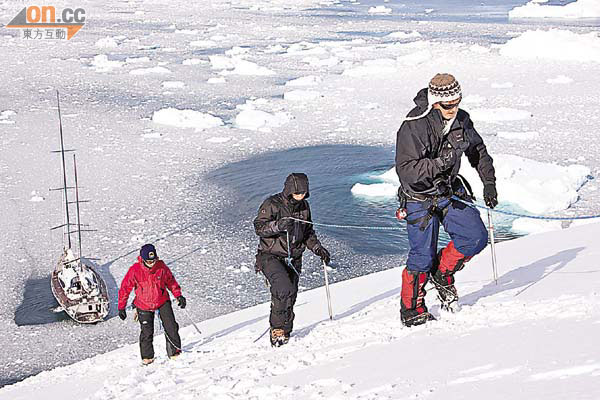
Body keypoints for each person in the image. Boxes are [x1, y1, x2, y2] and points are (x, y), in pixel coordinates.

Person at [395, 73, 498, 327]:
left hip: (449, 191)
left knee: (475, 237)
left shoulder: (462, 120)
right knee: (421, 257)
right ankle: (411, 309)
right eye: (448, 105)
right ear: (435, 102)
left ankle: (442, 274)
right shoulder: (413, 125)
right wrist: (438, 164)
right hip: (419, 198)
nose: (454, 109)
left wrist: (489, 182)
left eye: (457, 102)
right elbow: (405, 169)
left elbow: (478, 151)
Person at [254, 173, 331, 347]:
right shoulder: (272, 204)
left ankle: (286, 329)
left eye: (303, 193)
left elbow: (308, 232)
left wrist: (317, 248)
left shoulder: (304, 207)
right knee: (283, 289)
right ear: (289, 190)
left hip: (293, 257)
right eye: (297, 193)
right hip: (270, 255)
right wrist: (278, 225)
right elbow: (259, 227)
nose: (300, 196)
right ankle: (277, 329)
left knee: (291, 295)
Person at [117, 243, 187, 364]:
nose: (152, 263)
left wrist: (178, 295)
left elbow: (171, 282)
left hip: (162, 300)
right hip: (143, 304)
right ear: (143, 259)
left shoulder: (161, 267)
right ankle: (147, 358)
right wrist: (121, 307)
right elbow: (125, 288)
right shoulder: (134, 270)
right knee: (147, 332)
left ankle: (175, 352)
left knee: (171, 326)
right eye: (149, 261)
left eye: (153, 260)